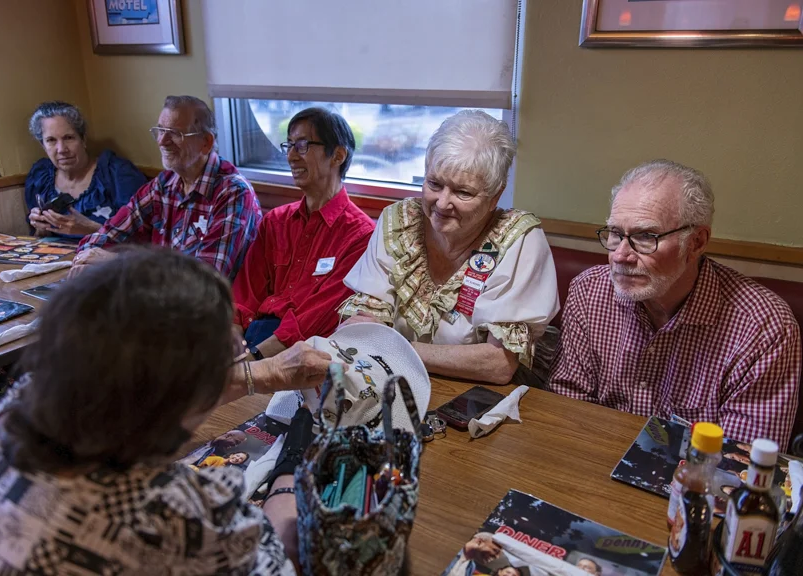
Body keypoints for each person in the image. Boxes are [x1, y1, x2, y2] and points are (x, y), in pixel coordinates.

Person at [0, 248, 331, 574]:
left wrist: (260, 375)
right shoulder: (168, 513)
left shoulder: (19, 406)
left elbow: (141, 384)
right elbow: (277, 566)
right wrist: (290, 467)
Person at [548, 160, 801, 448]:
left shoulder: (764, 328)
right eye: (616, 233)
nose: (620, 255)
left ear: (696, 242)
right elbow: (565, 407)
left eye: (646, 237)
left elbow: (737, 460)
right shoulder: (589, 291)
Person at [340, 110, 559, 384]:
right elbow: (365, 324)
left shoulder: (519, 239)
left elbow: (498, 364)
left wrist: (398, 348)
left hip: (476, 398)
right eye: (434, 183)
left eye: (463, 192)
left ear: (495, 196)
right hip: (395, 383)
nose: (442, 204)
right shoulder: (398, 222)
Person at [231, 108, 375, 358]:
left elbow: (316, 319)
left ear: (338, 155)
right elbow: (244, 295)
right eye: (288, 145)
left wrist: (252, 361)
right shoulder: (275, 222)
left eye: (302, 145)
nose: (290, 156)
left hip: (302, 351)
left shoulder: (360, 236)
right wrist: (230, 348)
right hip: (251, 339)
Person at [71, 96, 261, 279]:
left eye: (175, 133)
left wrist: (122, 261)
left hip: (208, 308)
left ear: (206, 142)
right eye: (160, 130)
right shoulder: (163, 184)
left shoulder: (233, 192)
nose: (162, 141)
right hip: (160, 298)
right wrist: (88, 257)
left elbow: (206, 279)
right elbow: (106, 236)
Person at [25, 101, 148, 238]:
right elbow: (39, 240)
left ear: (83, 139)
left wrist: (91, 229)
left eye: (69, 138)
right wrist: (42, 228)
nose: (61, 149)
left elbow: (144, 238)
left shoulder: (117, 174)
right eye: (51, 140)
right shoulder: (40, 178)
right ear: (43, 145)